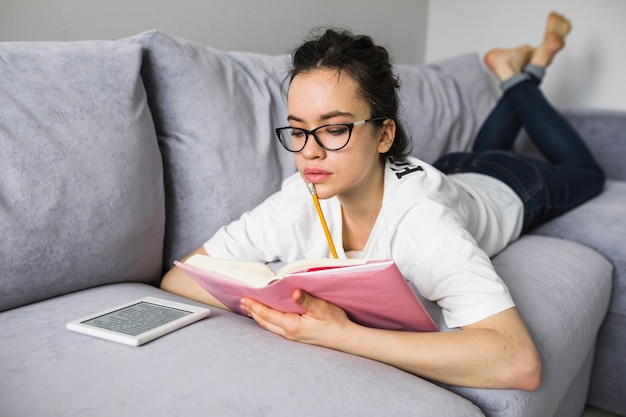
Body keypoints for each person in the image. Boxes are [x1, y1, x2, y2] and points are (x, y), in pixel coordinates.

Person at [161, 12, 603, 391]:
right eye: (297, 130)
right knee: (479, 150)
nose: (309, 152)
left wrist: (341, 335)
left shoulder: (421, 222)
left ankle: (522, 71)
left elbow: (519, 364)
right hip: (451, 171)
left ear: (384, 134)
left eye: (334, 128)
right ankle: (516, 70)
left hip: (512, 186)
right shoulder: (302, 194)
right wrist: (276, 304)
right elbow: (180, 279)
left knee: (587, 173)